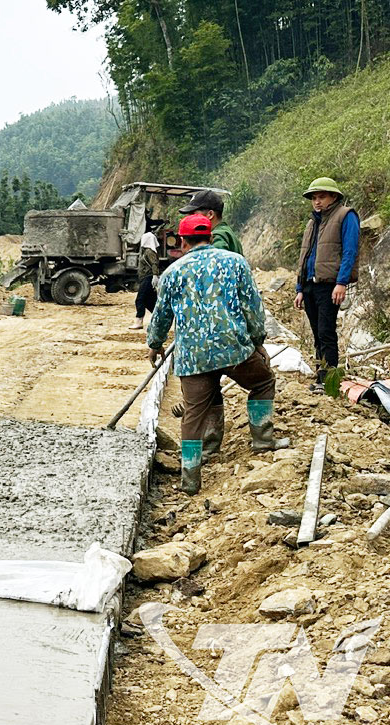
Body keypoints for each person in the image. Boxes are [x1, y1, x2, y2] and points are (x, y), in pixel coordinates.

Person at [147, 214, 289, 495]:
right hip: (234, 349)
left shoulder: (172, 273)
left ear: (183, 242)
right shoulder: (235, 263)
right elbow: (252, 307)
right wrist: (257, 341)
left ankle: (190, 479)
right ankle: (262, 441)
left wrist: (155, 344)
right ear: (211, 238)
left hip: (193, 357)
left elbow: (161, 316)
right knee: (262, 383)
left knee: (193, 414)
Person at [177, 189, 242, 447]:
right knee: (212, 383)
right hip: (225, 321)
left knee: (207, 382)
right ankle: (210, 442)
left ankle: (200, 454)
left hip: (214, 326)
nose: (192, 217)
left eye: (195, 213)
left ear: (210, 215)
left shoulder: (219, 240)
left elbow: (212, 280)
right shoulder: (228, 235)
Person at [293, 177, 361, 393]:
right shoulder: (313, 222)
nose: (317, 201)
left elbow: (350, 251)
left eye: (322, 196)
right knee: (317, 333)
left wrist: (341, 282)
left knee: (326, 332)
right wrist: (300, 288)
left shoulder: (345, 216)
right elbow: (306, 257)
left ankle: (330, 382)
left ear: (334, 197)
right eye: (314, 198)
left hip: (330, 285)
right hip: (311, 286)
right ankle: (321, 376)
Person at [179, 189, 241, 253]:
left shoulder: (218, 236)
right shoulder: (225, 231)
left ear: (210, 214)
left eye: (193, 214)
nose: (189, 218)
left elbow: (215, 259)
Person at [130, 220, 163, 330]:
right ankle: (159, 319)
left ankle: (139, 320)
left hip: (148, 278)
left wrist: (155, 275)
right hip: (147, 277)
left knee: (140, 299)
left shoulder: (149, 251)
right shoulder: (148, 251)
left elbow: (154, 263)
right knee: (150, 301)